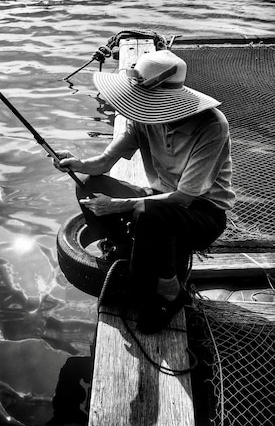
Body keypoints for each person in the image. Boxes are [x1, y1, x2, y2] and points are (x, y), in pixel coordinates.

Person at [54, 49, 235, 334]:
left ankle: (170, 293)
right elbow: (103, 162)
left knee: (150, 212)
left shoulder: (212, 125)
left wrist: (118, 205)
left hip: (202, 212)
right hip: (157, 199)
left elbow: (184, 198)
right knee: (90, 185)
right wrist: (76, 163)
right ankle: (124, 249)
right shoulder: (142, 118)